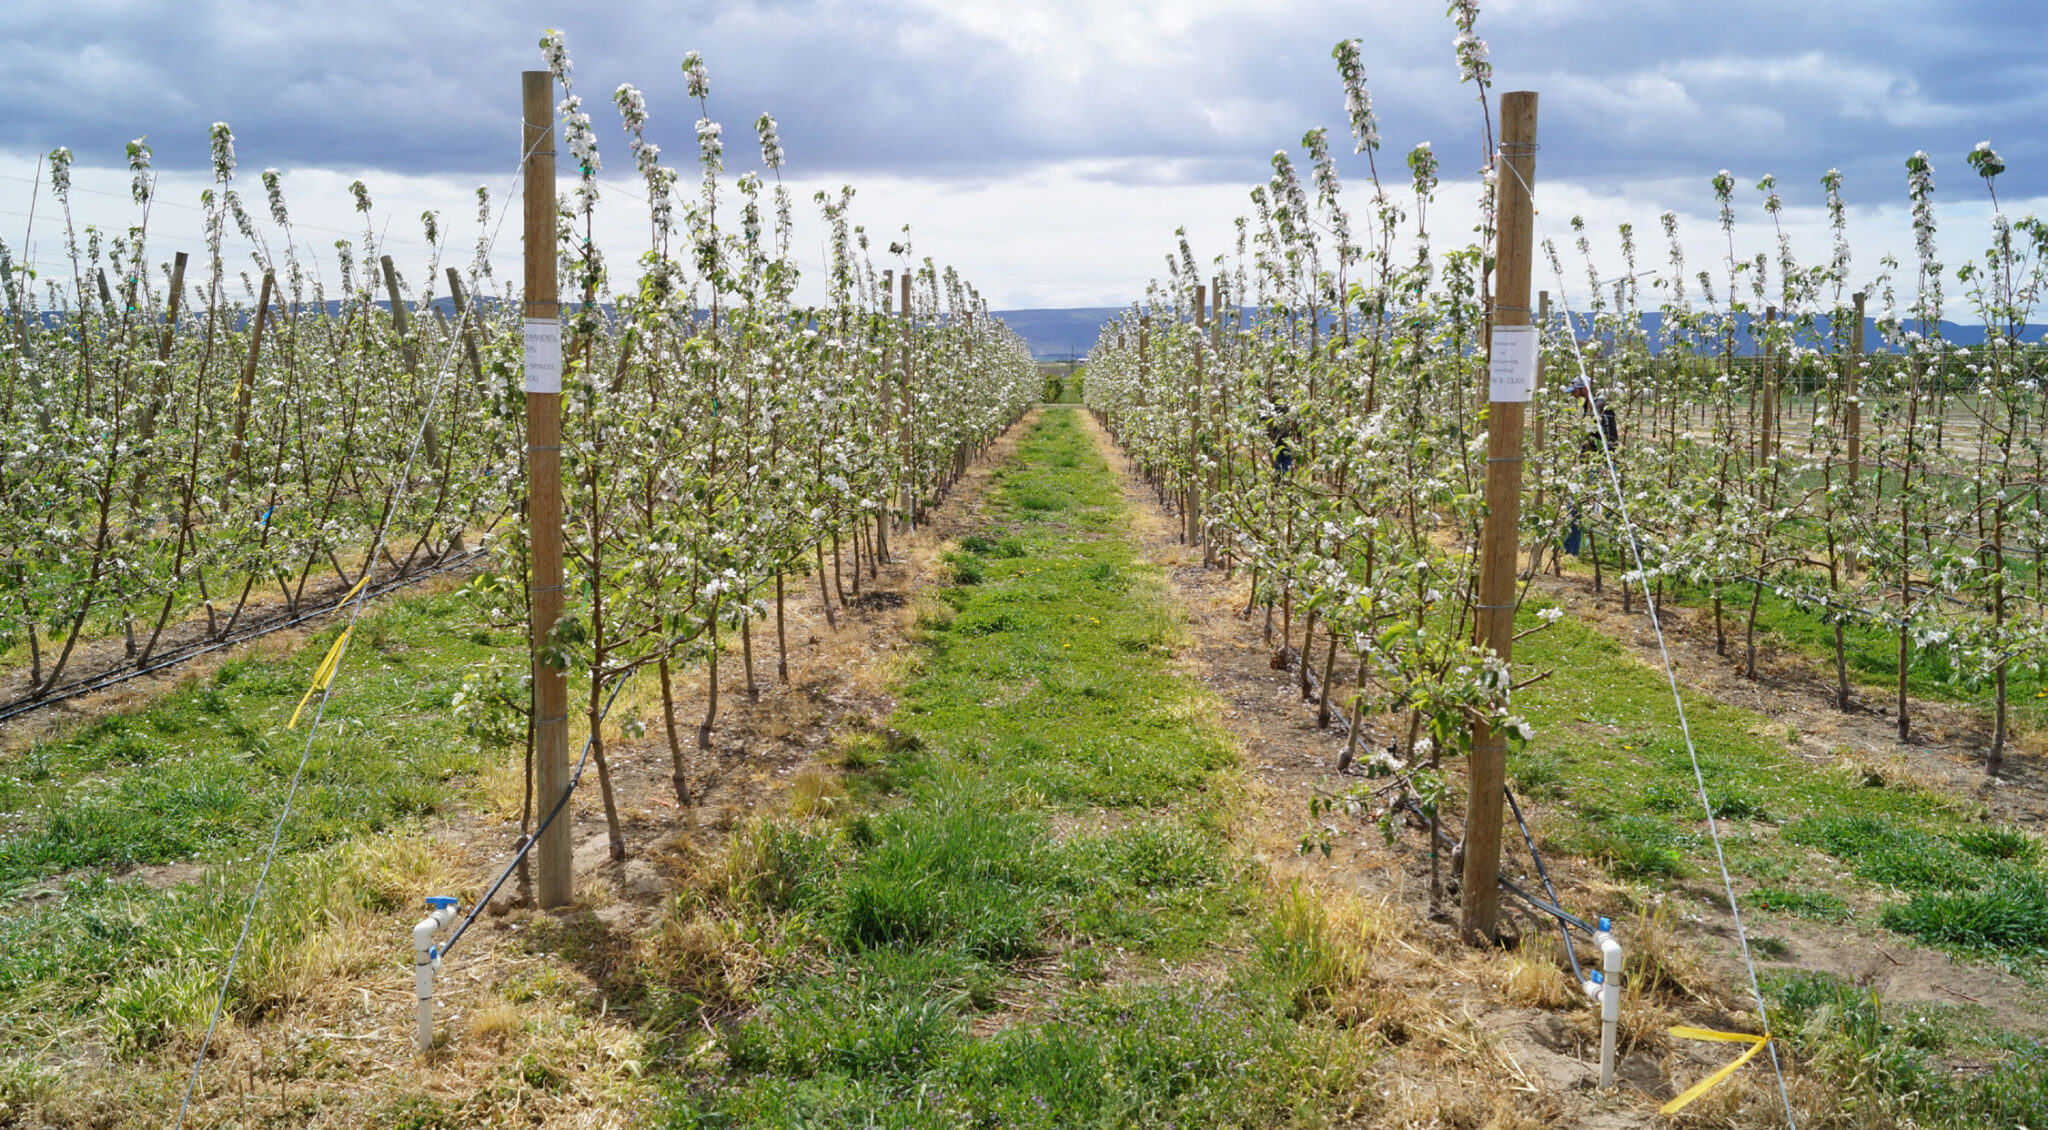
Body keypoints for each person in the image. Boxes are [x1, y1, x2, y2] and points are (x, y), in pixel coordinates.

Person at [1562, 375, 1618, 556]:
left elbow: (1611, 439)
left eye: (1575, 391)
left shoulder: (1602, 407)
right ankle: (1570, 550)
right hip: (1588, 464)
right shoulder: (1587, 406)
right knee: (1574, 504)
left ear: (1583, 388)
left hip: (1601, 464)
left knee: (1611, 509)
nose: (1573, 396)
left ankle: (1635, 548)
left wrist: (1606, 465)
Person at [1265, 399, 1301, 476]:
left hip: (1277, 441)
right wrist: (1299, 434)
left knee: (1278, 463)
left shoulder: (1269, 406)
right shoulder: (1285, 405)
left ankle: (1283, 480)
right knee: (1284, 461)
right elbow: (1297, 420)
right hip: (1283, 439)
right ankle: (1286, 479)